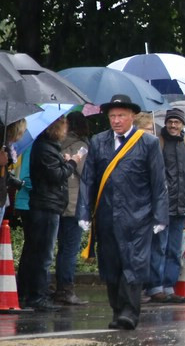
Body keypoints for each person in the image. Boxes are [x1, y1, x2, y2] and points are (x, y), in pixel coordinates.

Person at [77, 94, 167, 330]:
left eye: (121, 116)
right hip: (106, 213)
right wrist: (84, 212)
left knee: (134, 264)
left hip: (138, 215)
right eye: (112, 116)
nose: (116, 120)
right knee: (111, 264)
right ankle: (117, 311)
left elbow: (158, 181)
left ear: (132, 117)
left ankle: (129, 312)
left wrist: (160, 215)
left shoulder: (147, 143)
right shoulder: (98, 142)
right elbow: (88, 179)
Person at [18, 115, 82, 311]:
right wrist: (72, 163)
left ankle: (28, 293)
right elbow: (56, 176)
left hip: (46, 204)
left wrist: (62, 161)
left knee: (34, 251)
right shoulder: (45, 147)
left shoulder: (46, 147)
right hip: (46, 205)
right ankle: (37, 296)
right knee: (42, 254)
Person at [147, 108, 185, 304]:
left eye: (177, 122)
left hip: (182, 204)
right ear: (166, 123)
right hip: (162, 204)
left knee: (174, 249)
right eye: (170, 122)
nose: (173, 125)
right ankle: (155, 287)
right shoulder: (157, 142)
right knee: (159, 246)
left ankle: (169, 287)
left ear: (182, 125)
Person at [54, 111, 90, 306]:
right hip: (74, 204)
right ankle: (66, 289)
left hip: (57, 203)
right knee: (70, 249)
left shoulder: (55, 144)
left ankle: (57, 287)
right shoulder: (81, 146)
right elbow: (86, 173)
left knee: (58, 248)